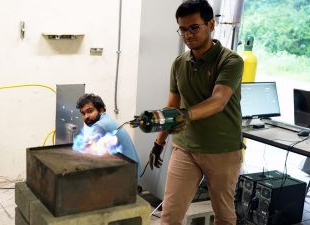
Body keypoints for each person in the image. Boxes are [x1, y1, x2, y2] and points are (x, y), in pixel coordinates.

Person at [149, 1, 244, 225]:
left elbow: (218, 100)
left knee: (223, 215)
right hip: (185, 148)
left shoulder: (231, 61)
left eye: (194, 28)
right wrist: (159, 142)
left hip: (222, 150)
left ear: (211, 24)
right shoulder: (179, 63)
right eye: (182, 29)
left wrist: (185, 115)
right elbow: (172, 106)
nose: (188, 35)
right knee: (169, 215)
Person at [75, 93, 142, 177]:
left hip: (128, 177)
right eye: (83, 113)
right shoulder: (107, 120)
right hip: (134, 173)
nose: (86, 116)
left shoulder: (100, 125)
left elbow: (88, 156)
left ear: (101, 110)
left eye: (90, 111)